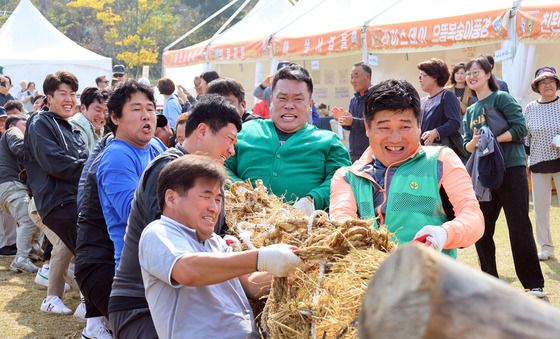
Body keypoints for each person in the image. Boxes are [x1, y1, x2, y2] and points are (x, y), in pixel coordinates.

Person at [108, 94, 242, 338]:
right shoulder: (168, 169)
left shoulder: (211, 179)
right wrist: (258, 259)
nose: (232, 150)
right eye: (229, 140)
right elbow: (169, 252)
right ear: (202, 130)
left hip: (187, 299)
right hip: (142, 305)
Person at [139, 155, 301, 338]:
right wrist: (261, 258)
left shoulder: (215, 241)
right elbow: (187, 271)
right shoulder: (158, 233)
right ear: (171, 198)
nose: (214, 208)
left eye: (217, 199)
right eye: (206, 196)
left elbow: (250, 285)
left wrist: (297, 266)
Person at [330, 79, 483, 257]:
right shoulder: (347, 177)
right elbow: (342, 221)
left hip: (431, 280)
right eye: (384, 127)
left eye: (404, 126)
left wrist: (444, 234)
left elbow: (473, 217)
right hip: (369, 281)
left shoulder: (441, 160)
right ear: (367, 127)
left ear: (419, 126)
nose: (395, 138)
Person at [463, 56, 545, 297]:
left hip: (511, 168)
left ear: (489, 74)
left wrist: (492, 140)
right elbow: (466, 143)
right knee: (482, 228)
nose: (472, 76)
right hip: (484, 174)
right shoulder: (470, 110)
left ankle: (533, 284)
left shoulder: (502, 98)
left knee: (518, 225)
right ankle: (489, 283)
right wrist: (475, 143)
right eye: (468, 73)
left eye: (477, 71)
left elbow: (521, 129)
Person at [225, 64, 351, 215]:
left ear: (310, 105)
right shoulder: (245, 131)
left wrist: (312, 200)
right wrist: (239, 189)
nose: (289, 106)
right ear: (271, 101)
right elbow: (220, 164)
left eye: (298, 99)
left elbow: (341, 178)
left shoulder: (329, 142)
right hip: (243, 225)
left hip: (304, 230)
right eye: (282, 98)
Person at [24, 71, 89, 314]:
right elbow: (55, 162)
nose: (69, 99)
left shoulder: (72, 129)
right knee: (87, 248)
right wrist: (93, 168)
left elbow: (82, 160)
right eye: (63, 94)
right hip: (57, 202)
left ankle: (85, 304)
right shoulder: (41, 122)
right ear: (49, 97)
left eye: (73, 94)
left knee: (82, 248)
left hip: (75, 199)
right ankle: (91, 311)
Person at [97, 80, 166, 268]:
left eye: (150, 109)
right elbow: (135, 216)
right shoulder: (117, 157)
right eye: (136, 110)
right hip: (137, 267)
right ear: (115, 117)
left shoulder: (156, 145)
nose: (146, 116)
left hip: (162, 256)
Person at [524, 66, 560, 261]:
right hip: (538, 162)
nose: (548, 85)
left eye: (551, 82)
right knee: (541, 209)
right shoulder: (530, 108)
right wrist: (527, 161)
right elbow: (526, 139)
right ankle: (546, 247)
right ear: (537, 87)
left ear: (556, 84)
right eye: (543, 82)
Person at [0, 115, 40, 272]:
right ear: (12, 126)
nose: (28, 127)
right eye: (25, 124)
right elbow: (19, 147)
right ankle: (21, 259)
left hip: (6, 185)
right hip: (10, 184)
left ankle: (33, 251)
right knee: (29, 219)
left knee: (33, 217)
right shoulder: (13, 131)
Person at [417, 58, 467, 163]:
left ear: (435, 77)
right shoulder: (422, 101)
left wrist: (436, 132)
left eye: (423, 75)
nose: (420, 78)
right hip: (426, 154)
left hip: (444, 155)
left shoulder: (447, 96)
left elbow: (454, 122)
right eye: (419, 75)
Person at [332, 62, 372, 162]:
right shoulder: (354, 99)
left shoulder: (375, 97)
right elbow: (350, 126)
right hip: (354, 153)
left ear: (367, 77)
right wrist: (343, 120)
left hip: (372, 153)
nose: (353, 81)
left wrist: (352, 121)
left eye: (356, 76)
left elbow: (375, 124)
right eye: (351, 77)